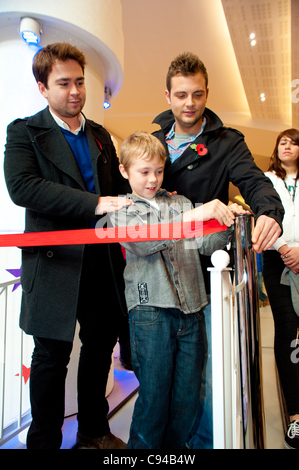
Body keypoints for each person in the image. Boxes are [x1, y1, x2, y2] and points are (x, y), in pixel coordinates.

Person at [4, 42, 134, 449]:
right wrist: (95, 203)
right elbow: (24, 187)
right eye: (64, 83)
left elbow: (119, 191)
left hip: (102, 261)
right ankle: (42, 441)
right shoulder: (24, 132)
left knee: (98, 353)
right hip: (54, 262)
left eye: (79, 82)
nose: (75, 91)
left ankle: (94, 431)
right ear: (42, 87)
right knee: (50, 359)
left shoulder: (99, 136)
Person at [152, 52, 284, 448]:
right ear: (168, 96)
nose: (189, 103)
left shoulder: (228, 143)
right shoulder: (153, 142)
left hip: (207, 272)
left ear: (207, 93)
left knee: (206, 369)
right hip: (156, 272)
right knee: (160, 370)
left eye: (196, 94)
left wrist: (269, 211)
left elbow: (256, 182)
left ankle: (202, 444)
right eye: (180, 95)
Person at [106, 131, 247, 449]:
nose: (153, 179)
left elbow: (206, 243)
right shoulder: (121, 210)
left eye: (158, 170)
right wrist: (198, 214)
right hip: (148, 309)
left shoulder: (179, 202)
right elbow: (146, 242)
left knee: (187, 402)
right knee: (154, 403)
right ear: (125, 171)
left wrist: (226, 222)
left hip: (192, 310)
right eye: (144, 172)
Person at [263, 129, 299, 449]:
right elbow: (263, 216)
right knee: (287, 330)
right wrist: (286, 248)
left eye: (294, 141)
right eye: (282, 142)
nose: (287, 146)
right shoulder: (265, 179)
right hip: (277, 259)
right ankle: (295, 416)